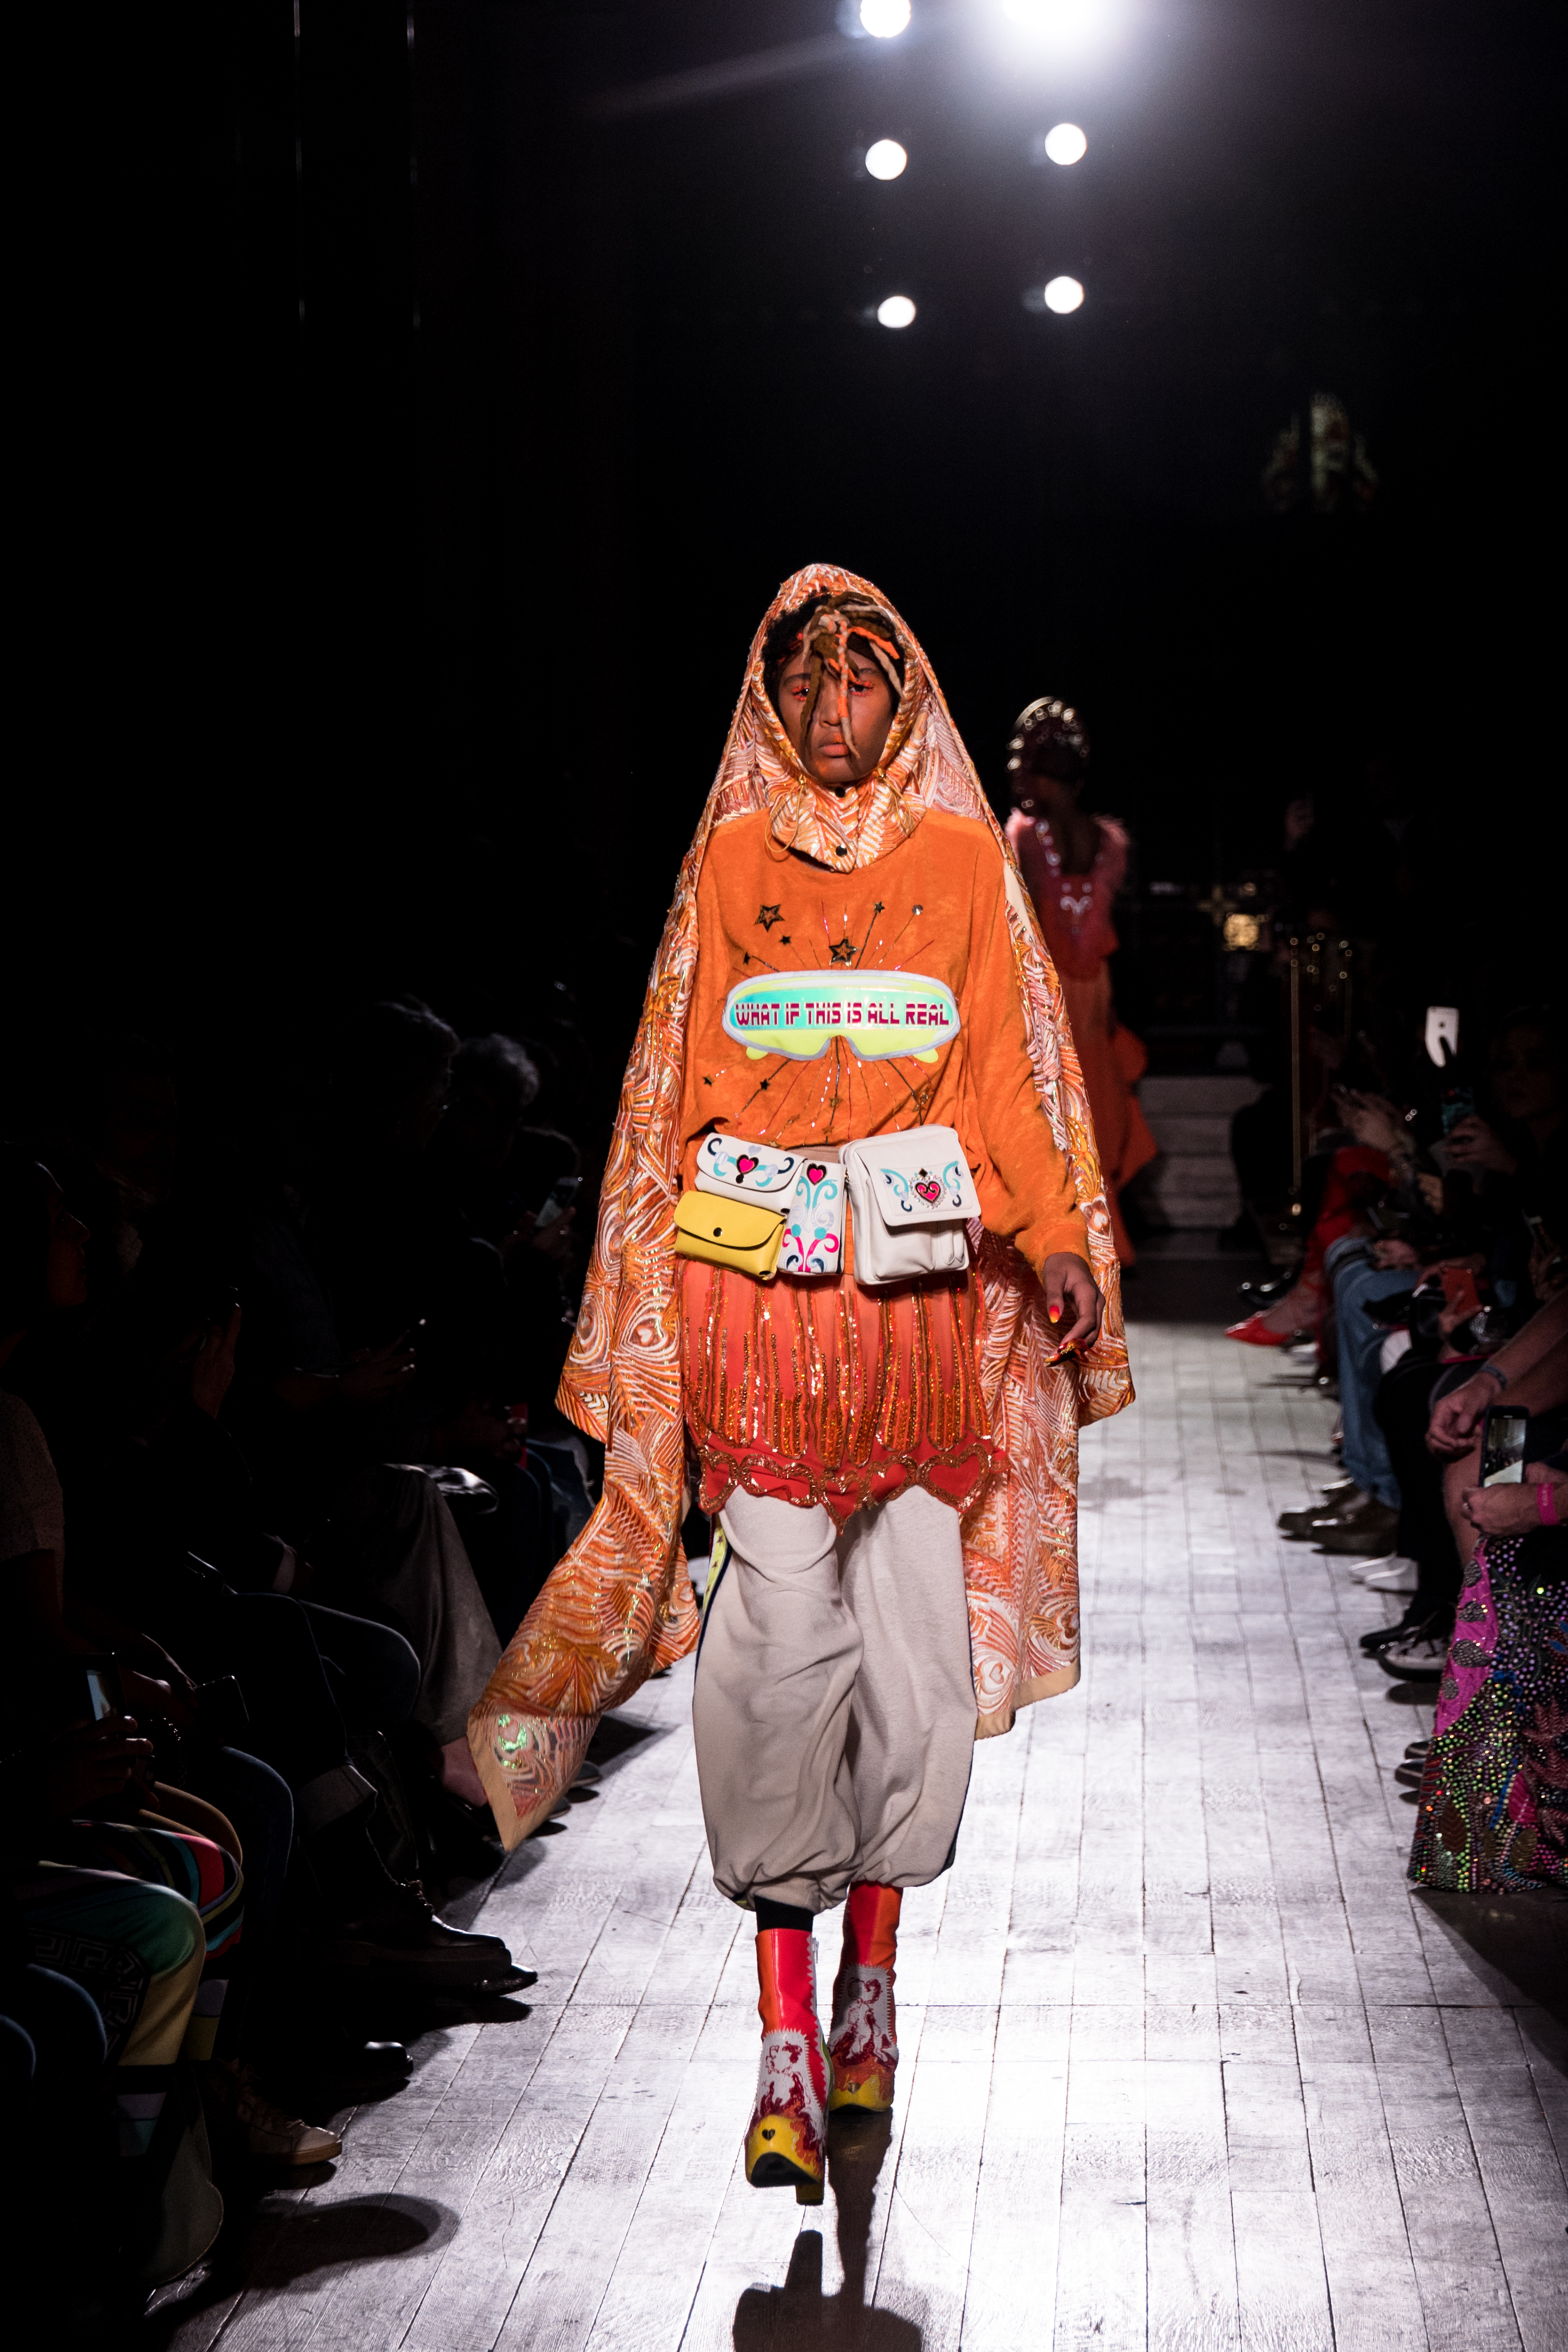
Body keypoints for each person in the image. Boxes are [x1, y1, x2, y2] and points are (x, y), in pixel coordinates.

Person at [467, 565, 1132, 2202]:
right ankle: (780, 2039)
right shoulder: (728, 859)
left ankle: (869, 1998)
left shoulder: (962, 859)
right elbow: (670, 1087)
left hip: (913, 1328)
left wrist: (1054, 1235)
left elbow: (1002, 1075)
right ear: (770, 698)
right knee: (769, 1665)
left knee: (909, 1661)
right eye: (808, 683)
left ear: (902, 696)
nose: (834, 711)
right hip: (756, 1317)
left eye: (861, 680)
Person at [1003, 699, 1156, 1263]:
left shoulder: (1027, 835)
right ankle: (1098, 1234)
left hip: (1047, 984)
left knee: (1053, 1099)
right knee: (1092, 1096)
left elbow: (1020, 917)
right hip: (1094, 986)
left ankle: (1067, 1232)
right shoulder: (1101, 840)